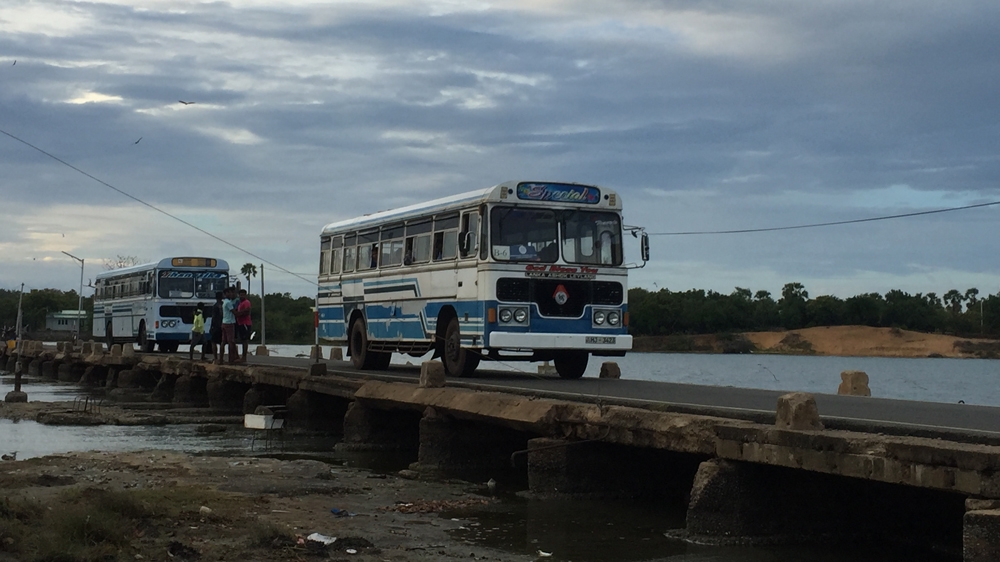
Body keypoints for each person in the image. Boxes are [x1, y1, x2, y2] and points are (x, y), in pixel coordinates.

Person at [220, 287, 238, 365]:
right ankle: (231, 360)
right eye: (229, 292)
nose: (231, 294)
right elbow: (234, 312)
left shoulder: (225, 302)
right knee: (231, 341)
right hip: (229, 323)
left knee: (223, 341)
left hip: (224, 322)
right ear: (226, 293)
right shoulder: (228, 303)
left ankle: (221, 359)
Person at [235, 289, 252, 363]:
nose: (241, 296)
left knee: (245, 340)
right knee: (242, 340)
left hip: (245, 323)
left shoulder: (246, 302)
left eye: (243, 295)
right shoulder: (240, 303)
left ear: (245, 295)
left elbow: (247, 311)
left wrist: (238, 313)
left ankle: (244, 357)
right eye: (240, 295)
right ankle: (241, 357)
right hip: (240, 323)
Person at [209, 292, 223, 362]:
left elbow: (214, 317)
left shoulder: (215, 306)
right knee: (221, 343)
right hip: (223, 325)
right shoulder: (224, 304)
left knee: (213, 342)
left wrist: (211, 326)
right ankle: (221, 358)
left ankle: (215, 357)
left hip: (216, 326)